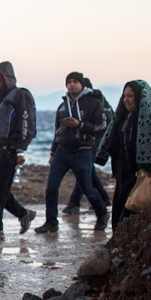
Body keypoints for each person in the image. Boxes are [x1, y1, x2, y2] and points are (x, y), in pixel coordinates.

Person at [34, 72, 109, 233]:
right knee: (51, 188)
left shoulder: (93, 103)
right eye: (69, 82)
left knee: (88, 188)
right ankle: (51, 222)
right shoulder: (62, 106)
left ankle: (102, 214)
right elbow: (57, 131)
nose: (72, 85)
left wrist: (80, 125)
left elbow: (101, 127)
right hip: (61, 152)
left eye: (75, 81)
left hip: (82, 152)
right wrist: (53, 152)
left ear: (82, 84)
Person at [95, 80, 151, 226]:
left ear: (140, 97)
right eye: (125, 96)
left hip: (142, 175)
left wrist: (147, 166)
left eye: (131, 96)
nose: (126, 100)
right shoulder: (123, 117)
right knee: (121, 211)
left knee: (131, 214)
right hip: (124, 175)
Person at [0, 61, 37, 241]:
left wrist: (20, 150)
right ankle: (23, 214)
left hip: (10, 150)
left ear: (6, 78)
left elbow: (27, 123)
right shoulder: (0, 98)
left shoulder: (20, 96)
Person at [63, 77, 113, 214]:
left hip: (96, 140)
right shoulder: (97, 101)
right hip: (93, 140)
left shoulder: (95, 102)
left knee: (84, 170)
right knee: (88, 170)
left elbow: (103, 123)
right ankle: (103, 198)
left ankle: (75, 202)